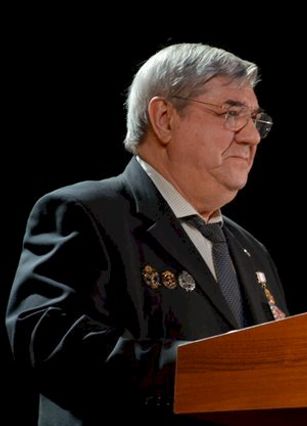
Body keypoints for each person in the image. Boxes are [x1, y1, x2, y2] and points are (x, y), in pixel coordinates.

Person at [5, 42, 289, 425]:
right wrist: (207, 370)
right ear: (165, 118)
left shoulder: (251, 250)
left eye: (255, 120)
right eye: (231, 114)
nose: (252, 137)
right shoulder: (84, 213)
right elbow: (50, 344)